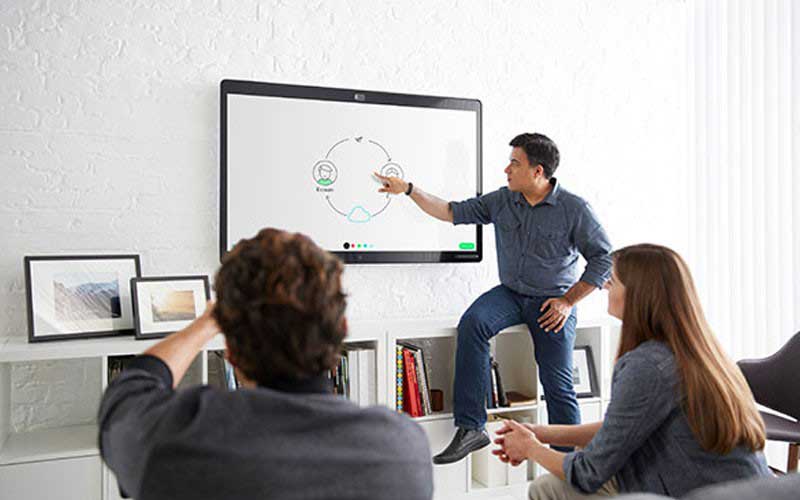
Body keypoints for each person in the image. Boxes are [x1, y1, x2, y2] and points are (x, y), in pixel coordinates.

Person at [98, 228, 433, 500]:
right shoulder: (403, 449)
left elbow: (130, 390)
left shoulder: (173, 441)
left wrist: (205, 325)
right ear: (341, 330)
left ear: (231, 349)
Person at [375, 133, 612, 464]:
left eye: (515, 163)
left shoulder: (575, 209)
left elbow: (604, 258)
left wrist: (568, 302)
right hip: (510, 294)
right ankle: (471, 428)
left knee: (557, 384)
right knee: (473, 323)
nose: (506, 169)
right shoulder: (503, 200)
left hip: (553, 301)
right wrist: (410, 189)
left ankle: (570, 465)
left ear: (538, 171)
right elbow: (450, 211)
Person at [493, 244, 771, 499]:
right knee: (551, 482)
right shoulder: (700, 350)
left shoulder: (648, 366)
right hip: (745, 487)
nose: (604, 285)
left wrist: (530, 448)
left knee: (548, 489)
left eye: (612, 281)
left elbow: (588, 472)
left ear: (639, 296)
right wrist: (542, 433)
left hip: (699, 491)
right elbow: (621, 429)